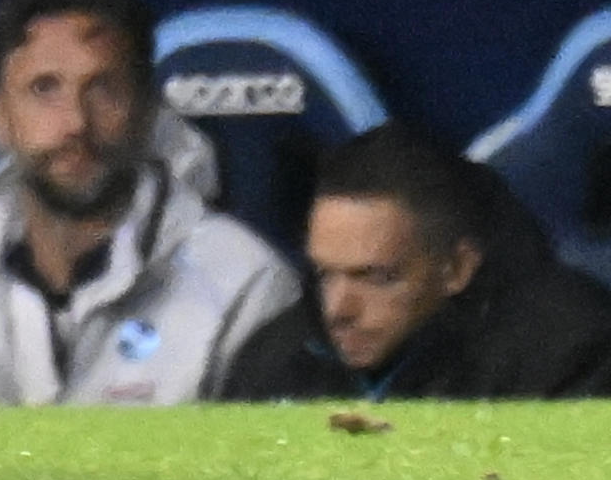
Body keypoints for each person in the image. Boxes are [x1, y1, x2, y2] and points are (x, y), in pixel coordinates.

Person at [0, 0, 298, 406]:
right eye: (44, 89)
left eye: (103, 89)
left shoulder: (243, 285)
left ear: (146, 112)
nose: (76, 122)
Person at [220, 125, 611, 402]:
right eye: (325, 274)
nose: (338, 310)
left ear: (457, 268)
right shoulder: (274, 362)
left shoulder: (570, 355)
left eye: (375, 277)